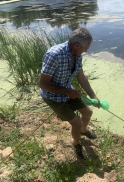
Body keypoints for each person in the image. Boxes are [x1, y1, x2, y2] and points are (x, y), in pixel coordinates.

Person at [39, 27, 99, 159]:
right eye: (86, 47)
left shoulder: (77, 56)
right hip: (52, 96)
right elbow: (43, 83)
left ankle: (83, 132)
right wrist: (68, 92)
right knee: (76, 122)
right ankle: (76, 144)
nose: (86, 50)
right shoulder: (54, 55)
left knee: (88, 112)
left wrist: (93, 96)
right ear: (77, 45)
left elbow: (81, 77)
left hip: (68, 91)